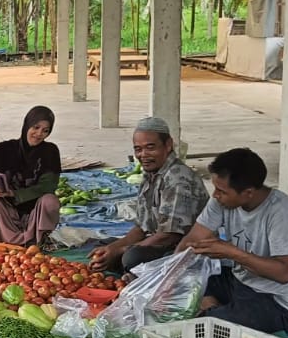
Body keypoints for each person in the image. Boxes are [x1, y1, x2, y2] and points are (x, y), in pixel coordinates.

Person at [176, 148, 288, 333]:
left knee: (202, 328)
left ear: (248, 193)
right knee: (186, 279)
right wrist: (171, 274)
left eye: (221, 191)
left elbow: (284, 273)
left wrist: (233, 253)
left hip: (274, 301)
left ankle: (215, 309)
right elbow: (193, 239)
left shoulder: (281, 213)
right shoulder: (221, 201)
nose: (215, 195)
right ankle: (216, 305)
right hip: (238, 282)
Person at [90, 116, 209, 273]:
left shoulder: (178, 180)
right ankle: (124, 266)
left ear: (168, 145)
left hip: (182, 248)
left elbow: (169, 236)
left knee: (131, 257)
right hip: (154, 240)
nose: (143, 155)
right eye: (138, 149)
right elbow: (141, 228)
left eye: (150, 147)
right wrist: (112, 247)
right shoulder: (150, 172)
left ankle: (131, 269)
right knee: (101, 247)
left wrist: (121, 250)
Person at [0, 105, 61, 246]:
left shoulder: (50, 151)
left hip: (35, 214)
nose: (39, 134)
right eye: (35, 127)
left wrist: (15, 194)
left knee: (50, 201)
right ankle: (5, 237)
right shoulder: (8, 149)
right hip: (9, 214)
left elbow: (48, 186)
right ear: (27, 125)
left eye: (45, 131)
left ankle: (40, 238)